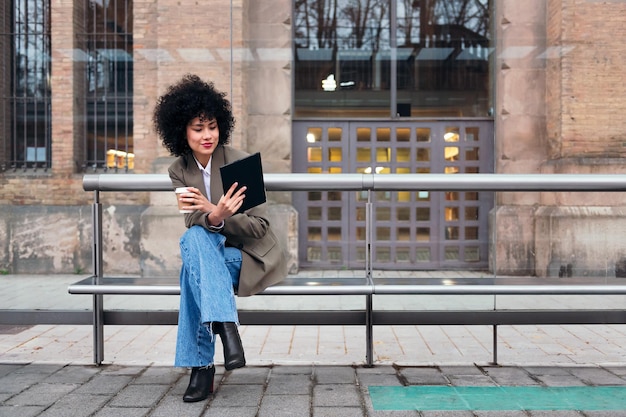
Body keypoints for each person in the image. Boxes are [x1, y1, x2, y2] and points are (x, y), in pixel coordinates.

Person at [152, 74, 288, 402]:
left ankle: (202, 367)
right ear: (182, 131)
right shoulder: (179, 170)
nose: (207, 135)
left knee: (192, 263)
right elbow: (194, 219)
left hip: (251, 256)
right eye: (198, 128)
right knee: (195, 241)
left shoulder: (239, 162)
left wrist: (220, 216)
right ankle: (226, 326)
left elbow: (259, 228)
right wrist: (215, 215)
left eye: (212, 126)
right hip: (213, 258)